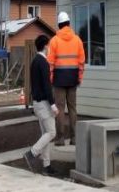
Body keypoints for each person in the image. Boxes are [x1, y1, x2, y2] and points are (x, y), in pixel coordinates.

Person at [48, 12, 85, 146]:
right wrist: (79, 78)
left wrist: (50, 79)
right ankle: (74, 138)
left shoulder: (54, 41)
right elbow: (81, 62)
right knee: (72, 108)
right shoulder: (78, 40)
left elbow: (50, 63)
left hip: (59, 78)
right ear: (69, 23)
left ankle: (60, 138)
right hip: (73, 77)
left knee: (60, 108)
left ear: (59, 25)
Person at [23, 35, 58, 176]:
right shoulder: (43, 62)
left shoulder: (34, 61)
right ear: (45, 46)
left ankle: (46, 165)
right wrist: (53, 104)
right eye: (48, 45)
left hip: (37, 103)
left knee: (45, 134)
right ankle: (32, 153)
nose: (49, 48)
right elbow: (46, 85)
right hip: (44, 103)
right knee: (52, 132)